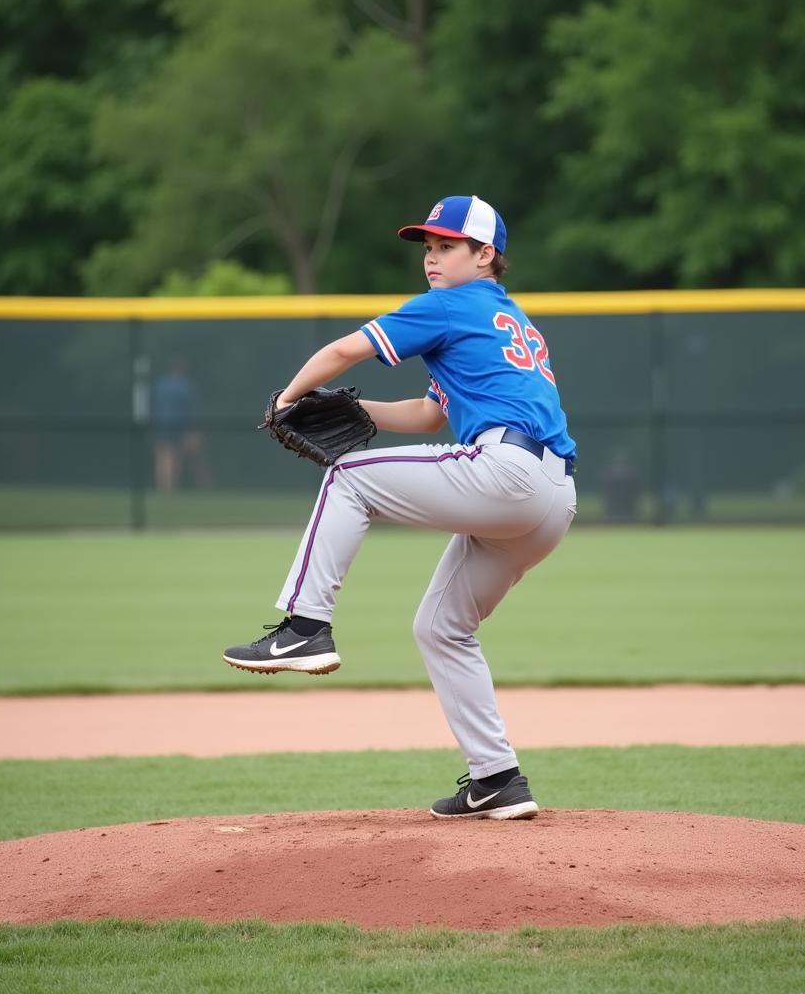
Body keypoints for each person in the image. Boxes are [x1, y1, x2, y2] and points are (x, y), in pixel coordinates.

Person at [224, 195, 577, 821]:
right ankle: (497, 778)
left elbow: (343, 351)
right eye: (428, 248)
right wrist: (359, 412)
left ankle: (304, 629)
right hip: (551, 500)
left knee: (349, 477)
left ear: (485, 254)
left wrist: (287, 400)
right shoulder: (506, 319)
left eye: (446, 246)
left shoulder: (450, 305)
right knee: (441, 628)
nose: (432, 259)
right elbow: (431, 412)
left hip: (507, 473)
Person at [150, 356, 211, 492]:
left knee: (163, 457)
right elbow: (192, 410)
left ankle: (164, 490)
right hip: (181, 425)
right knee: (185, 457)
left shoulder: (160, 385)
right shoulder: (187, 386)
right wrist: (194, 430)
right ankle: (203, 488)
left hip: (161, 424)